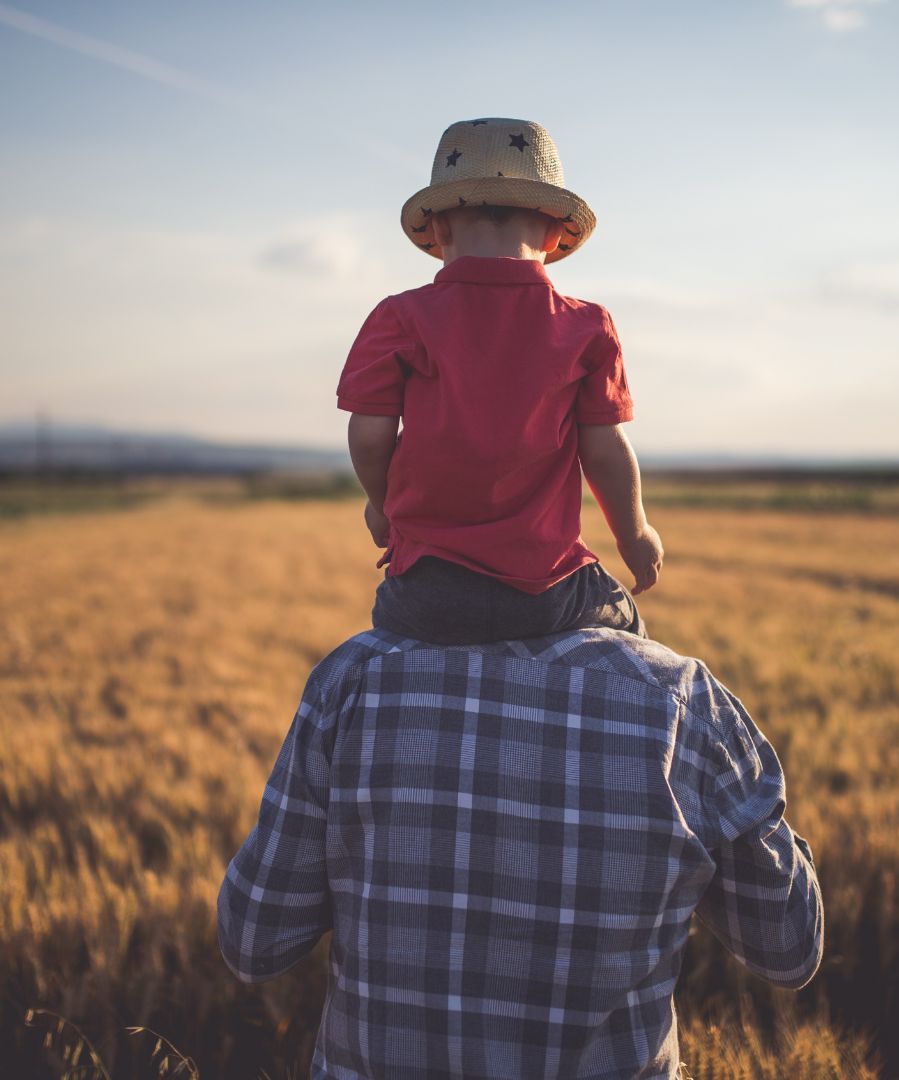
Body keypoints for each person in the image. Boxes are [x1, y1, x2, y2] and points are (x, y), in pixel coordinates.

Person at [217, 626, 824, 1079]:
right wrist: (744, 790)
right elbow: (791, 947)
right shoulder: (682, 703)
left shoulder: (353, 682)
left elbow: (252, 942)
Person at [337, 117, 664, 646]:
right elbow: (604, 447)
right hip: (550, 590)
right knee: (632, 631)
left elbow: (370, 433)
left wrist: (382, 504)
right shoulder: (587, 324)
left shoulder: (399, 316)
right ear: (556, 232)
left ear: (438, 231)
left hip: (425, 591)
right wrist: (636, 534)